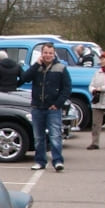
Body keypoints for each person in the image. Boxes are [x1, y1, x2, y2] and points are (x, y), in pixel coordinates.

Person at [19, 42, 69, 171]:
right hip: (37, 107)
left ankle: (58, 161)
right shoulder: (36, 68)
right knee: (39, 137)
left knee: (55, 136)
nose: (48, 55)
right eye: (45, 53)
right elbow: (24, 78)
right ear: (42, 54)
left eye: (50, 53)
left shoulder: (61, 68)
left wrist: (58, 104)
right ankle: (40, 161)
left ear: (54, 54)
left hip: (53, 108)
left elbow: (66, 89)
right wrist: (36, 64)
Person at [87, 57, 105, 150]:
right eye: (101, 59)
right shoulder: (97, 72)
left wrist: (101, 89)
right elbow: (91, 85)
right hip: (97, 102)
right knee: (95, 124)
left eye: (104, 59)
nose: (102, 61)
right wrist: (93, 90)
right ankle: (95, 143)